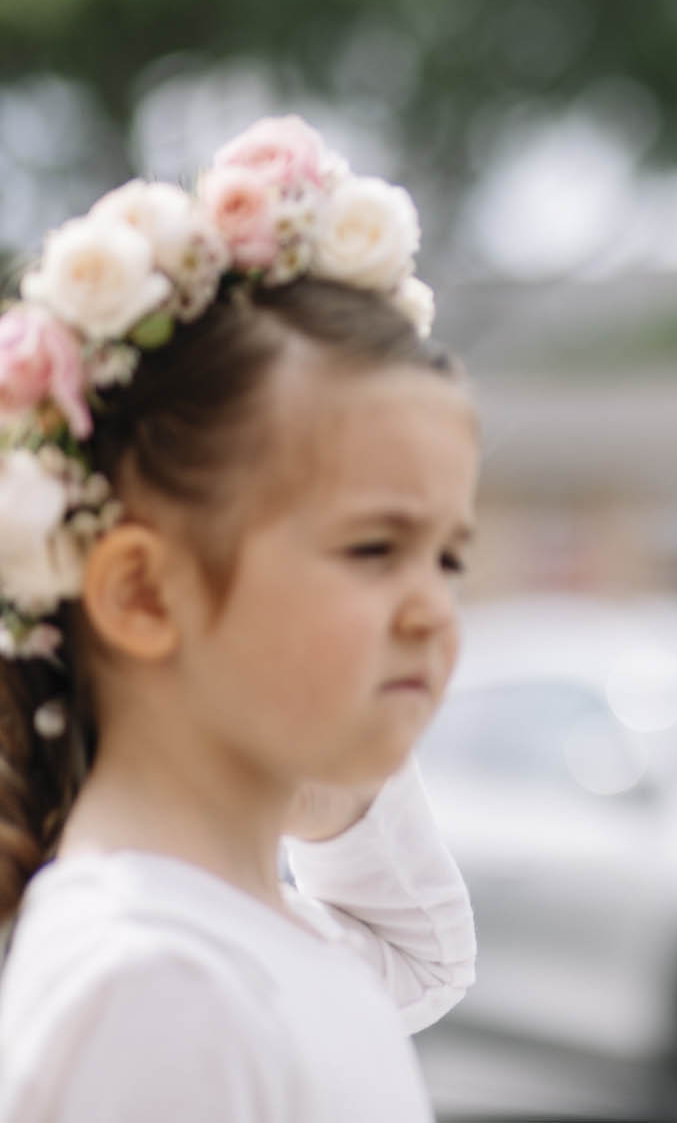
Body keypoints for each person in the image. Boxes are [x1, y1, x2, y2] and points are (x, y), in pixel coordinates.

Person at [0, 116, 478, 1122]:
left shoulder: (244, 936)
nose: (435, 606)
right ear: (140, 592)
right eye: (371, 549)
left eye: (448, 554)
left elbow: (420, 948)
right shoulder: (148, 987)